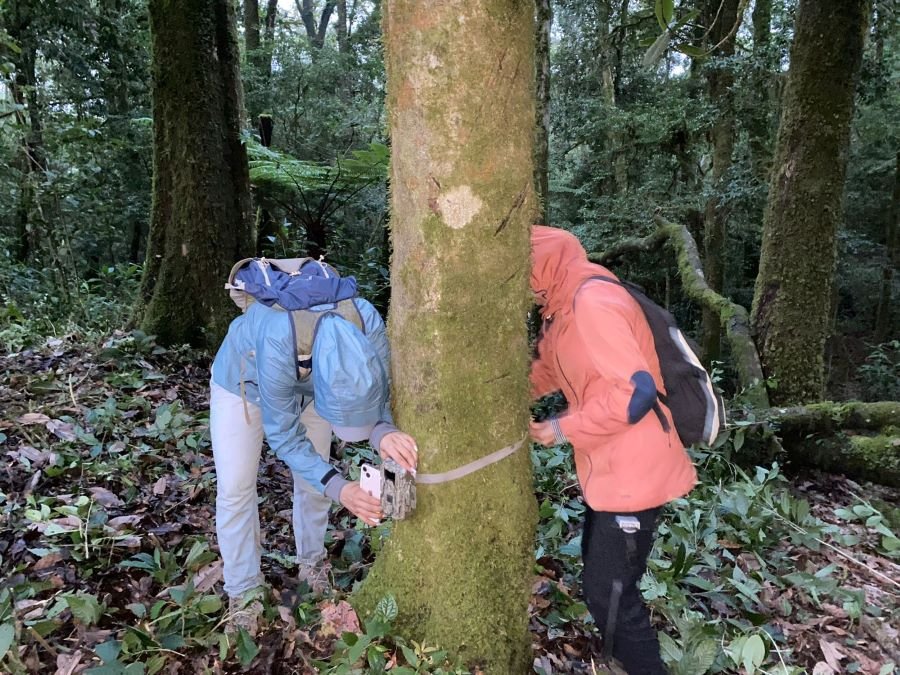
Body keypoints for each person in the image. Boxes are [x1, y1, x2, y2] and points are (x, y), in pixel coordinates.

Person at [210, 258, 418, 635]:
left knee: (314, 480)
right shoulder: (277, 335)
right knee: (236, 488)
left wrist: (382, 430)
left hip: (310, 388)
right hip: (245, 384)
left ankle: (312, 562)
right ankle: (243, 591)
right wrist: (342, 488)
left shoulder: (365, 319)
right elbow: (284, 434)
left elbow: (380, 388)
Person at [528, 226, 696, 674]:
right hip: (609, 469)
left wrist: (561, 429)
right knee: (604, 585)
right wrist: (506, 395)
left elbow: (634, 396)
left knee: (612, 595)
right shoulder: (561, 308)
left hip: (636, 471)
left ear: (541, 268)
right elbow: (550, 367)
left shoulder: (592, 303)